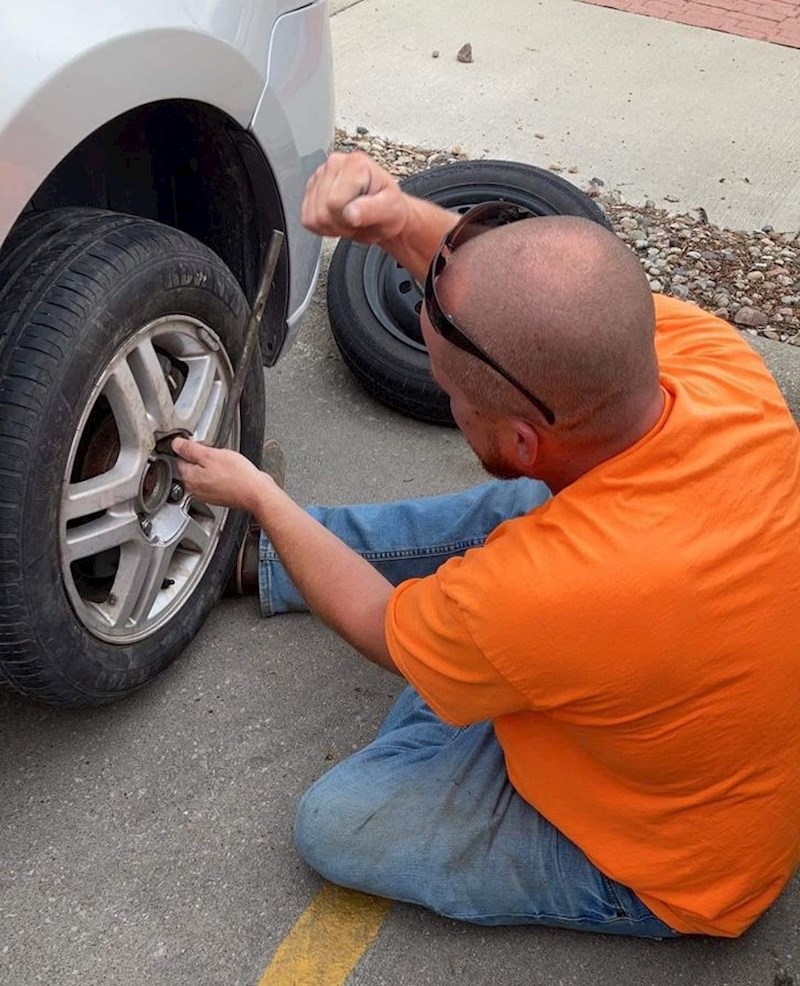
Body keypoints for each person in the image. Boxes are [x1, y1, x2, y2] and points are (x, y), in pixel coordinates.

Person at [173, 151, 800, 939]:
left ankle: (459, 660)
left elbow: (376, 625)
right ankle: (354, 601)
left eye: (450, 391)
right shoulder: (717, 366)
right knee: (515, 516)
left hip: (680, 870)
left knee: (336, 822)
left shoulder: (554, 590)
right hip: (699, 717)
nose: (442, 393)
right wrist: (398, 218)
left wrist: (262, 497)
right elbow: (509, 294)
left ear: (522, 436)